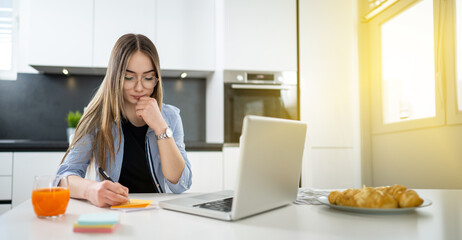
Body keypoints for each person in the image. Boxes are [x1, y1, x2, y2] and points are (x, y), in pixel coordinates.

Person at [57, 33, 192, 208]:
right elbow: (63, 178)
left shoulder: (170, 117)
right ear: (115, 77)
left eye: (148, 78)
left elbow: (181, 184)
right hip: (112, 212)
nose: (139, 87)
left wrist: (160, 127)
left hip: (157, 213)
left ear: (156, 80)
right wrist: (91, 189)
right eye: (129, 77)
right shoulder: (97, 118)